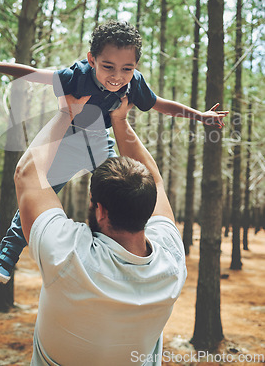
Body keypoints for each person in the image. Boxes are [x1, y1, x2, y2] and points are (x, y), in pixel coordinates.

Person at [0, 20, 228, 283]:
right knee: (38, 193)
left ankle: (122, 256)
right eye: (108, 66)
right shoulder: (75, 75)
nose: (117, 76)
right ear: (92, 59)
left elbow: (160, 104)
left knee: (124, 191)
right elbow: (34, 73)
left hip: (100, 142)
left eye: (127, 68)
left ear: (135, 67)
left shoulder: (134, 84)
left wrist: (199, 116)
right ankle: (7, 255)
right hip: (66, 141)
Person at [14, 93, 187, 366]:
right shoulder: (171, 262)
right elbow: (157, 183)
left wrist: (65, 113)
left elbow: (27, 173)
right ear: (148, 206)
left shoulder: (67, 255)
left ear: (101, 210)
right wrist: (120, 121)